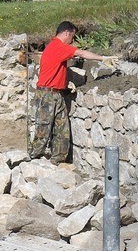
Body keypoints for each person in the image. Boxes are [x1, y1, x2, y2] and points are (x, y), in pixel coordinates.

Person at [29, 20, 112, 163]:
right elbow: (81, 53)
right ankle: (32, 159)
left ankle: (58, 161)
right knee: (43, 129)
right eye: (72, 37)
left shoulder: (53, 47)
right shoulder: (57, 46)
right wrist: (103, 58)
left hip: (56, 94)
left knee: (62, 129)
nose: (72, 41)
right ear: (66, 33)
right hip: (47, 95)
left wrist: (65, 83)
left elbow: (54, 70)